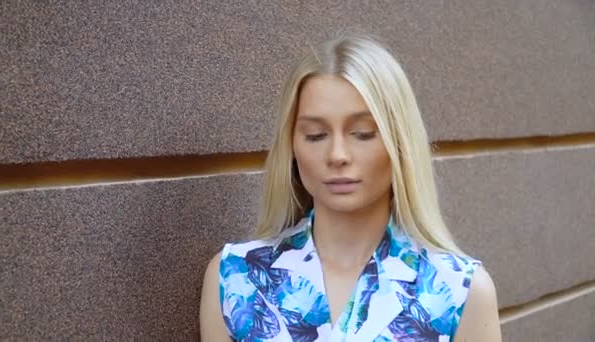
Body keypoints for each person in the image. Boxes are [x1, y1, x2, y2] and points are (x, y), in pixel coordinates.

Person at [200, 30, 501, 341]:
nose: (338, 155)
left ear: (399, 143)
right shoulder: (235, 279)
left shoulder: (459, 292)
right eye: (316, 135)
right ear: (291, 146)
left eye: (363, 133)